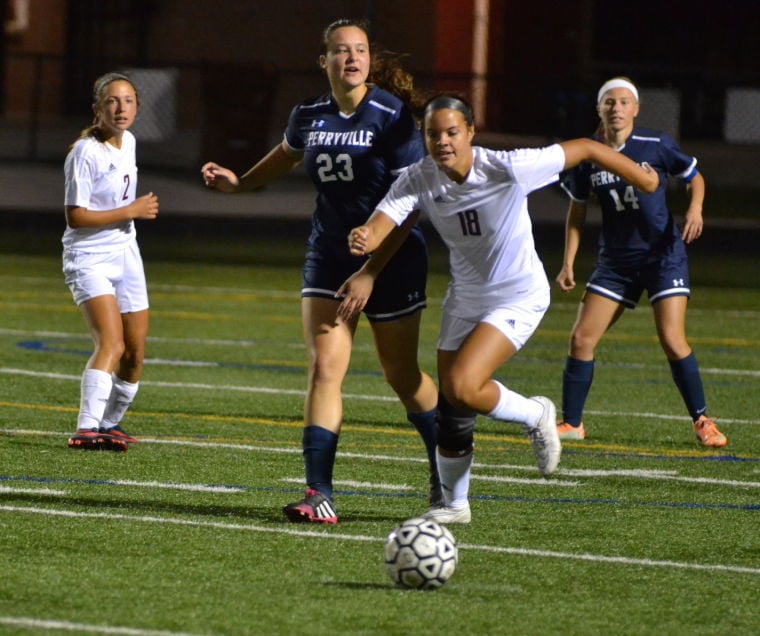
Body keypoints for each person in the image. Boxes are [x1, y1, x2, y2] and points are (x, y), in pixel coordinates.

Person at [345, 93, 658, 524]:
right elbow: (385, 221)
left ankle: (536, 413)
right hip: (466, 297)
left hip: (519, 294)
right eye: (433, 134)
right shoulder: (419, 177)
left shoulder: (508, 167)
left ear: (471, 132)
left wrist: (645, 182)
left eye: (453, 132)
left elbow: (584, 148)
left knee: (464, 384)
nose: (443, 142)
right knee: (453, 407)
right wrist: (366, 237)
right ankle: (455, 505)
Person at [200, 19, 440, 524]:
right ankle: (319, 492)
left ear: (370, 59)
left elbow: (412, 204)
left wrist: (372, 270)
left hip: (392, 258)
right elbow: (285, 157)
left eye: (359, 50)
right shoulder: (308, 114)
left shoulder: (393, 117)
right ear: (324, 60)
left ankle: (448, 471)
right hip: (330, 254)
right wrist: (239, 184)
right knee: (325, 369)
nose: (351, 58)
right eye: (340, 51)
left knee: (400, 375)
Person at [554, 77, 726, 448]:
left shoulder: (656, 143)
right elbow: (577, 211)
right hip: (616, 262)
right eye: (609, 102)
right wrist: (568, 262)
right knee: (582, 339)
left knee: (672, 339)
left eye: (623, 102)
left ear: (636, 108)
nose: (616, 108)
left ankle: (702, 420)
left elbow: (694, 178)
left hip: (662, 256)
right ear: (599, 109)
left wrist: (695, 208)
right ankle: (572, 423)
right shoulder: (588, 153)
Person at [63, 72, 159, 452]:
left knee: (135, 353)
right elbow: (76, 216)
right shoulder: (85, 152)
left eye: (129, 101)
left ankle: (110, 424)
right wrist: (130, 210)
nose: (121, 109)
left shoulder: (129, 142)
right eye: (113, 101)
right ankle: (86, 428)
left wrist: (127, 216)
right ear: (97, 109)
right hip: (88, 256)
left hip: (125, 254)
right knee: (112, 344)